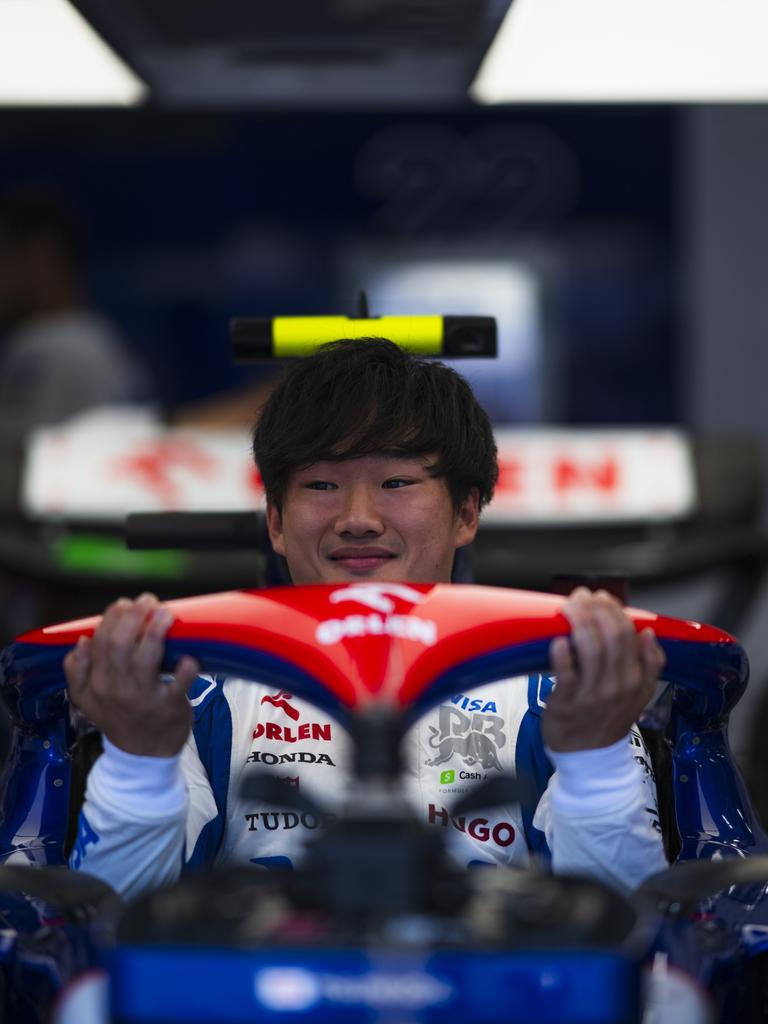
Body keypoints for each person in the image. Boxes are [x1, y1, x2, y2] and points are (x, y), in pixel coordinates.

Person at [64, 338, 667, 899]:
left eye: (396, 481)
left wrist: (595, 764)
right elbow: (115, 927)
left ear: (466, 511)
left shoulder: (566, 694)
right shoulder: (185, 694)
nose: (358, 518)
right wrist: (138, 764)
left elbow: (629, 934)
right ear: (275, 520)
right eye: (322, 484)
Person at [0, 187, 150, 442]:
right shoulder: (96, 337)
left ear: (40, 256)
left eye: (3, 257)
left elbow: (18, 464)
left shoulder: (50, 348)